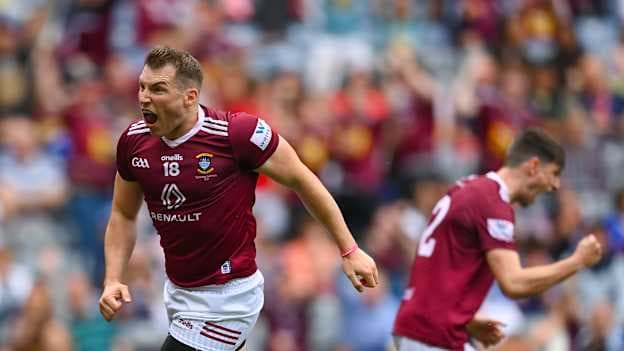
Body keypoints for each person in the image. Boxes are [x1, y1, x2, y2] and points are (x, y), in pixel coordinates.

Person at [98, 46, 379, 351]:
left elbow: (303, 179)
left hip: (229, 298)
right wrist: (113, 278)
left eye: (158, 89)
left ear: (190, 97)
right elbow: (123, 215)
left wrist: (349, 250)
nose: (144, 97)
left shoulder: (236, 134)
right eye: (142, 86)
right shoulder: (133, 142)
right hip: (179, 293)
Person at [392, 129, 603, 351]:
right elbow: (513, 283)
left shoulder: (468, 187)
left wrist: (466, 318)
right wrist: (577, 261)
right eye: (554, 173)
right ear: (532, 166)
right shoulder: (492, 202)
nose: (555, 185)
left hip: (423, 327)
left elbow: (440, 267)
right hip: (432, 335)